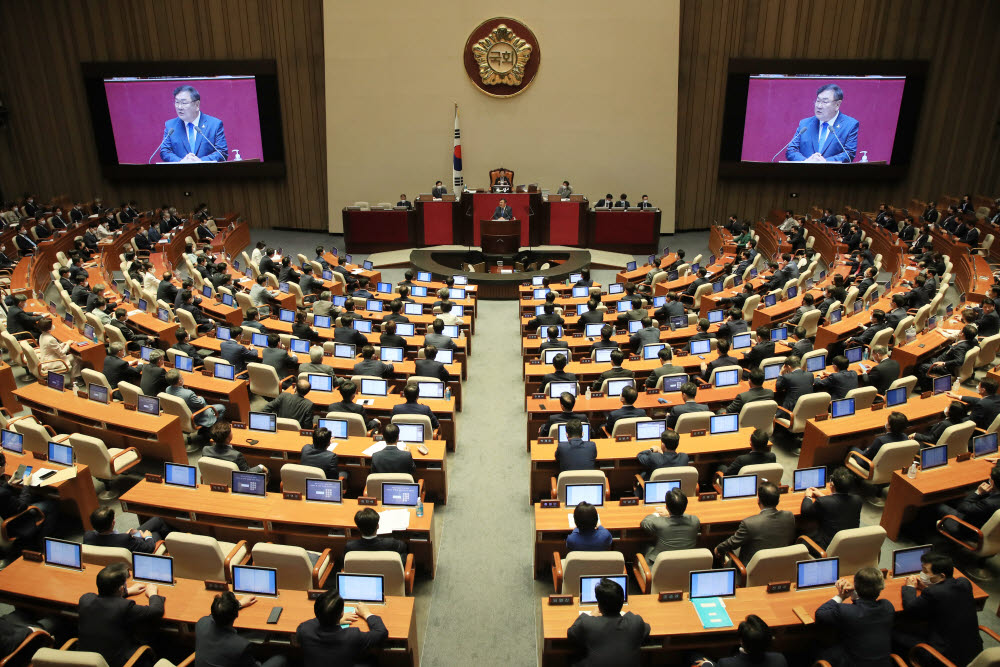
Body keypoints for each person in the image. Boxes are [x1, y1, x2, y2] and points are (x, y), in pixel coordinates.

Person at [894, 553, 983, 666]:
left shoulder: (933, 593)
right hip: (974, 651)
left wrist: (910, 587)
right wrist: (928, 587)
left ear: (942, 576)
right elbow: (947, 595)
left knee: (893, 632)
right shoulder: (964, 583)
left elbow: (910, 608)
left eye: (926, 571)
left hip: (945, 656)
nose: (922, 574)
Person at [78, 563, 165, 667]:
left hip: (85, 660)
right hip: (117, 662)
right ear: (121, 588)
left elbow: (106, 599)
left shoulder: (85, 599)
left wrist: (127, 592)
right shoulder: (125, 606)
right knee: (151, 633)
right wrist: (153, 594)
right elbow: (156, 610)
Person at [815, 568, 894, 667]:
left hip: (853, 663)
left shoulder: (846, 611)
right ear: (881, 588)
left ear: (856, 585)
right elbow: (865, 604)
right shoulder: (887, 607)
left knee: (821, 651)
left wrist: (841, 596)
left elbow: (820, 614)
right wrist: (854, 592)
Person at [565, 578, 650, 666]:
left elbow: (571, 634)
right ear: (622, 602)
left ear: (599, 606)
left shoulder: (587, 622)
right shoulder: (636, 622)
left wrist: (591, 616)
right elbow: (646, 630)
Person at [296, 590, 387, 666]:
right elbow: (381, 633)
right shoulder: (353, 636)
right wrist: (367, 613)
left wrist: (332, 618)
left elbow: (314, 620)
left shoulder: (303, 630)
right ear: (342, 614)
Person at [195, 591, 285, 667]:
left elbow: (216, 613)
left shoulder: (201, 623)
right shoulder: (240, 646)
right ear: (236, 615)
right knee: (281, 659)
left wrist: (239, 604)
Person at [714, 482, 795, 565]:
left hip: (753, 569)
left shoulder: (749, 523)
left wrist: (718, 549)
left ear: (758, 500)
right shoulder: (789, 516)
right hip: (781, 564)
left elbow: (732, 543)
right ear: (778, 500)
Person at [0, 451, 59, 549]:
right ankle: (41, 544)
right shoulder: (3, 494)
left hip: (5, 510)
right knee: (51, 504)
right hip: (15, 522)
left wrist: (9, 483)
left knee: (37, 497)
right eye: (4, 465)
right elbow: (23, 506)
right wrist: (26, 485)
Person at [785, 83, 858, 163]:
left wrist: (825, 162)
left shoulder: (850, 125)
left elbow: (849, 154)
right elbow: (791, 150)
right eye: (818, 101)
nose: (819, 106)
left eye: (825, 102)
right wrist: (806, 161)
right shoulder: (805, 124)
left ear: (837, 105)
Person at [160, 84, 227, 162]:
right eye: (177, 102)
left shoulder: (214, 124)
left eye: (184, 103)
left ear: (197, 105)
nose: (179, 107)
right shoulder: (170, 126)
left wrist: (200, 161)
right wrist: (181, 162)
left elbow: (222, 152)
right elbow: (165, 152)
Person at [800, 467, 862, 549]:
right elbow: (840, 504)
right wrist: (824, 496)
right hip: (849, 544)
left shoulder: (823, 502)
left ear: (831, 484)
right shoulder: (858, 500)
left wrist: (808, 496)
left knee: (802, 538)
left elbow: (805, 512)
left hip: (827, 546)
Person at [694, 614, 787, 667]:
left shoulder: (726, 664)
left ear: (741, 641)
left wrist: (708, 664)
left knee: (694, 655)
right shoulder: (780, 659)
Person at [640, 487, 699, 562]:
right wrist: (672, 513)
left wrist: (656, 514)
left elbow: (644, 523)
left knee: (644, 546)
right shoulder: (695, 521)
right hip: (686, 562)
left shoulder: (659, 523)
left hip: (661, 565)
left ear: (666, 507)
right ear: (685, 505)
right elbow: (683, 515)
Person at [84, 506, 172, 553]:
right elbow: (149, 548)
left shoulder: (88, 536)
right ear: (113, 523)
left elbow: (111, 540)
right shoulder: (125, 539)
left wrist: (125, 535)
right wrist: (148, 537)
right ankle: (173, 542)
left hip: (126, 543)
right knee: (156, 533)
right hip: (138, 550)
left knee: (157, 520)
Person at [918, 324, 979, 390]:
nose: (959, 331)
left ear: (962, 334)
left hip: (944, 367)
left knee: (920, 367)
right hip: (944, 358)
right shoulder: (973, 341)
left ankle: (926, 389)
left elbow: (959, 361)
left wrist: (944, 363)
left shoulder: (961, 347)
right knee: (927, 358)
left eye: (961, 330)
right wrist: (954, 345)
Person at [202, 421, 268, 475]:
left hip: (214, 479)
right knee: (267, 470)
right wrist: (260, 467)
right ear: (228, 438)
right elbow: (246, 473)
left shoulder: (205, 450)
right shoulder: (236, 456)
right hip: (236, 484)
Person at [37, 317, 82, 385]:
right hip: (51, 362)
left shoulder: (42, 335)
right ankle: (73, 382)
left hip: (46, 359)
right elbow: (62, 352)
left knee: (72, 356)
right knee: (77, 358)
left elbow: (53, 347)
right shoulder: (50, 339)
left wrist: (64, 343)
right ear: (49, 328)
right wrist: (68, 344)